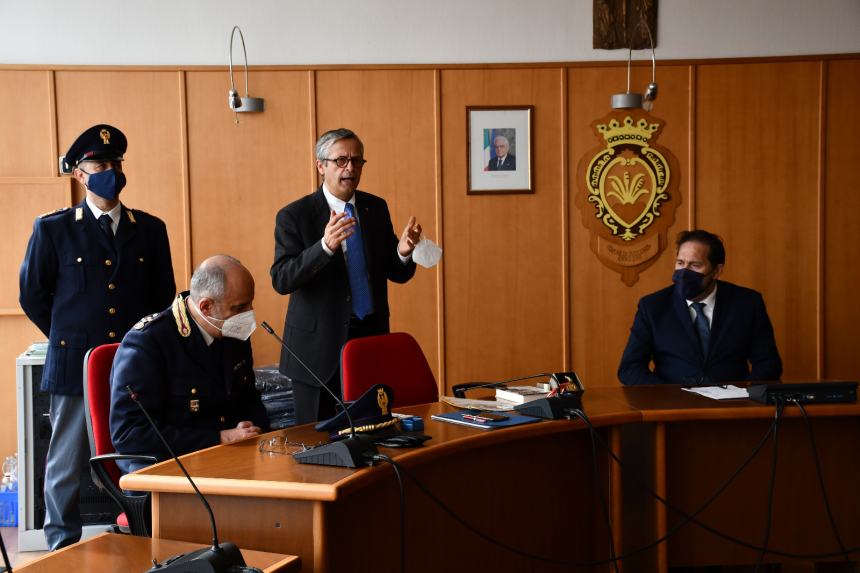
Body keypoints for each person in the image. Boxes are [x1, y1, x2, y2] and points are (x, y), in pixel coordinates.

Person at [18, 124, 176, 550]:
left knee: (140, 455)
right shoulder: (54, 229)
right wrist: (66, 336)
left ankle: (147, 537)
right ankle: (61, 545)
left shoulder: (150, 229)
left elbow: (163, 298)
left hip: (133, 366)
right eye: (99, 164)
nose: (110, 171)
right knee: (65, 463)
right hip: (73, 364)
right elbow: (32, 294)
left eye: (115, 163)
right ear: (79, 174)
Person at [271, 128, 422, 424]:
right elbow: (282, 279)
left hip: (369, 341)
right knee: (315, 443)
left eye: (356, 161)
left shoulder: (375, 208)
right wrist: (324, 247)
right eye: (340, 160)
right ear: (321, 166)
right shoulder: (294, 215)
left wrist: (403, 252)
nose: (349, 168)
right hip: (317, 352)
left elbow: (395, 271)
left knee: (372, 431)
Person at [109, 255, 269, 472]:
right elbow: (130, 433)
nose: (249, 315)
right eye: (240, 307)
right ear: (206, 307)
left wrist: (252, 427)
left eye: (251, 304)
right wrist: (218, 438)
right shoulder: (149, 342)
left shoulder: (232, 332)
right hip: (171, 465)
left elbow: (249, 398)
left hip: (230, 460)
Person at [618, 229, 782, 386]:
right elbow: (630, 369)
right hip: (672, 407)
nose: (684, 272)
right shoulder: (653, 306)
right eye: (680, 263)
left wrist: (746, 391)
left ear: (717, 271)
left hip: (732, 406)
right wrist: (667, 395)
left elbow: (769, 364)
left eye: (695, 265)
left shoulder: (747, 303)